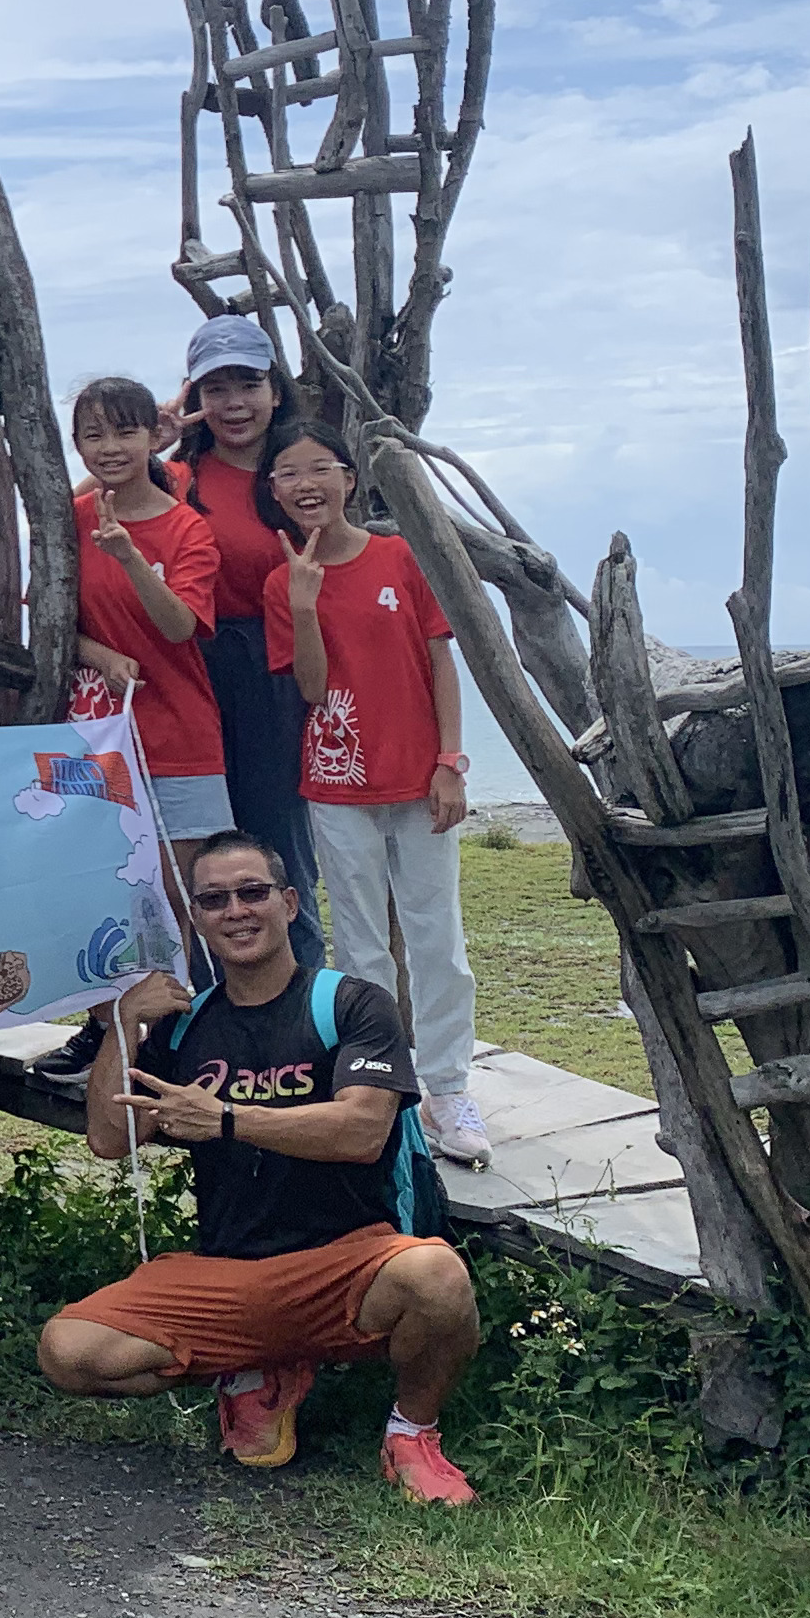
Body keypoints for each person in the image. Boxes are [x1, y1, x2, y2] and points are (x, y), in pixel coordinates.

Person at [37, 830, 479, 1505]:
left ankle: (410, 1433)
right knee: (67, 1351)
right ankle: (259, 1368)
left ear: (291, 902)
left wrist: (227, 1120)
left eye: (253, 892)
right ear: (199, 920)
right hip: (229, 1275)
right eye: (213, 900)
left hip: (350, 1267)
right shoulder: (187, 1027)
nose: (236, 911)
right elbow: (107, 1137)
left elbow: (363, 1131)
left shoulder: (351, 1003)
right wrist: (123, 1023)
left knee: (439, 1276)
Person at [264, 424, 487, 1168]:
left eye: (319, 469)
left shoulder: (399, 556)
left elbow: (440, 659)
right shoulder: (279, 580)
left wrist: (450, 761)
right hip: (334, 785)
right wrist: (302, 604)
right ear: (274, 493)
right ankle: (379, 1084)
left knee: (438, 940)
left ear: (349, 478)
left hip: (419, 777)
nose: (305, 484)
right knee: (359, 946)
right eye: (287, 474)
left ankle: (451, 1086)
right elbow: (312, 689)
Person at [167, 314, 317, 926]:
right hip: (189, 669)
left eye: (247, 384)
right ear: (193, 399)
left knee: (279, 850)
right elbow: (73, 509)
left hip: (280, 672)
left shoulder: (302, 475)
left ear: (274, 391)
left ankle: (297, 1003)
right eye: (215, 389)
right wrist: (151, 440)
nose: (234, 404)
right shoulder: (173, 478)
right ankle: (202, 1007)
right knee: (198, 852)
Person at [70, 374, 229, 896]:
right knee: (105, 895)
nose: (110, 448)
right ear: (77, 446)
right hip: (93, 741)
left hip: (180, 738)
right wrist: (97, 654)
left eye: (124, 432)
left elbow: (180, 626)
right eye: (93, 436)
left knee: (182, 902)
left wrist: (129, 557)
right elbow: (50, 627)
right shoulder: (69, 521)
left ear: (151, 439)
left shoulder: (188, 529)